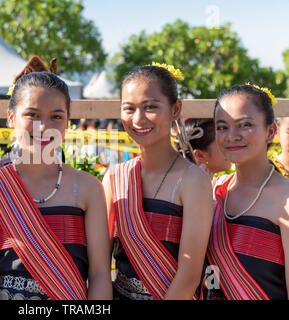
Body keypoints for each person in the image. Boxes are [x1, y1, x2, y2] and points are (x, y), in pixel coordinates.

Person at [0, 70, 112, 300]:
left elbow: (100, 275)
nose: (44, 127)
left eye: (56, 116)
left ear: (67, 122)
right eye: (32, 115)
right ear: (11, 118)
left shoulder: (88, 188)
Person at [103, 63, 214, 300]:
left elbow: (189, 276)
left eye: (151, 107)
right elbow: (100, 267)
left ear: (175, 110)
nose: (139, 119)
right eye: (129, 108)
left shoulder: (193, 181)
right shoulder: (115, 177)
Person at [206, 84, 289, 300]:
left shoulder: (286, 199)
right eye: (222, 127)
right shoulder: (213, 191)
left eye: (245, 125)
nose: (232, 136)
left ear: (270, 131)